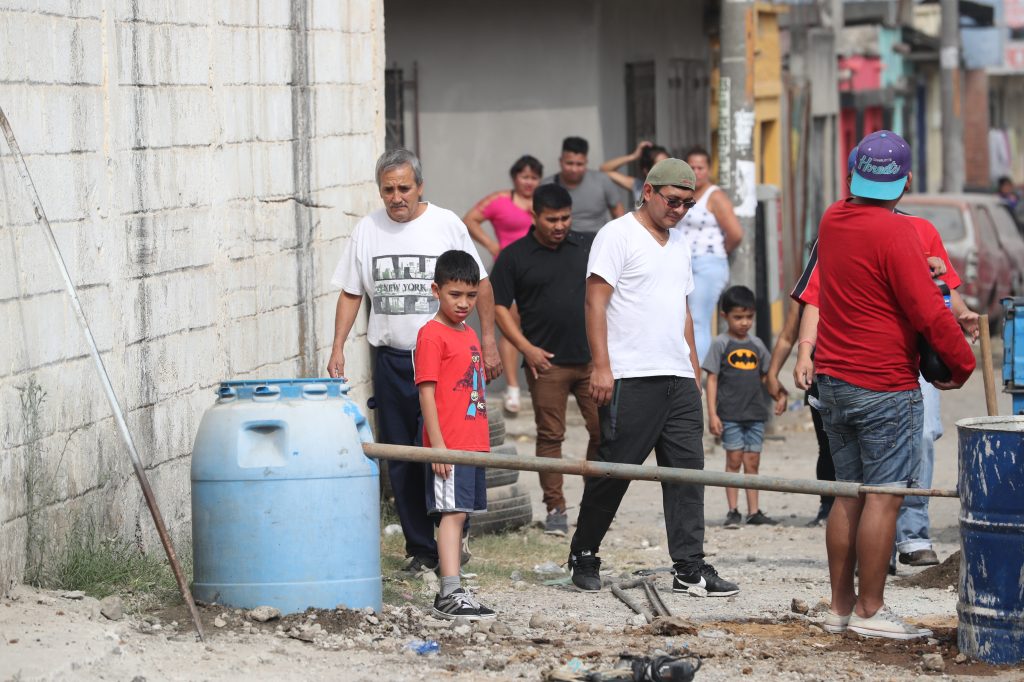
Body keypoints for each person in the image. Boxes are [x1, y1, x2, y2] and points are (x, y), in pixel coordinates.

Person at [797, 131, 975, 640]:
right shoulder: (900, 232)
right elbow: (929, 312)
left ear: (854, 173)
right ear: (906, 181)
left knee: (847, 495)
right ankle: (872, 612)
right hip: (884, 384)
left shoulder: (832, 219)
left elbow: (868, 275)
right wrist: (961, 365)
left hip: (834, 381)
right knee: (884, 496)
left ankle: (840, 608)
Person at [567, 158, 739, 598]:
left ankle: (689, 566)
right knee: (615, 471)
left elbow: (684, 311)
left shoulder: (680, 244)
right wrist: (601, 366)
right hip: (630, 376)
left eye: (687, 204)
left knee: (687, 475)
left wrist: (693, 370)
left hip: (678, 378)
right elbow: (594, 303)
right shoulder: (617, 235)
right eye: (672, 201)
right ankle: (584, 552)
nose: (679, 210)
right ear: (647, 191)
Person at [327, 149, 502, 576]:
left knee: (446, 447)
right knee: (402, 454)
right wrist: (337, 346)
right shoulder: (367, 230)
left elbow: (480, 284)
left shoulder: (446, 224)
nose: (396, 197)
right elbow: (351, 292)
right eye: (388, 189)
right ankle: (422, 549)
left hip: (448, 360)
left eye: (404, 188)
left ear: (420, 186)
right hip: (392, 360)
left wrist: (489, 341)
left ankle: (453, 529)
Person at [490, 184, 601, 536]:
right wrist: (526, 348)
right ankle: (556, 508)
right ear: (534, 216)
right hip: (546, 365)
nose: (560, 225)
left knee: (605, 432)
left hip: (593, 363)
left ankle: (595, 506)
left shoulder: (588, 247)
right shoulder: (514, 256)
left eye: (565, 218)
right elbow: (498, 308)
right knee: (551, 437)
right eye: (552, 219)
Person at [414, 250, 496, 621]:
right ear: (436, 290)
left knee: (462, 515)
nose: (464, 303)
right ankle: (448, 592)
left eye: (471, 295)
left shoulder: (469, 333)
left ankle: (456, 586)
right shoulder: (432, 335)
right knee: (452, 513)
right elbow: (426, 392)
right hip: (449, 445)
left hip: (472, 443)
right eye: (455, 295)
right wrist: (439, 448)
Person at [463, 155, 544, 414]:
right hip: (509, 272)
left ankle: (547, 384)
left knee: (543, 326)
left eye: (534, 177)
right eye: (524, 176)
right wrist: (491, 245)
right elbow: (470, 219)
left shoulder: (543, 202)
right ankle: (513, 387)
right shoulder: (500, 200)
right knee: (510, 328)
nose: (529, 182)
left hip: (540, 273)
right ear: (514, 177)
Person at [702, 285, 784, 528]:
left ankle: (754, 511)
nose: (745, 322)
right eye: (738, 317)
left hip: (755, 415)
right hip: (730, 415)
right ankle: (733, 510)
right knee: (734, 460)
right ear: (725, 316)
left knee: (752, 462)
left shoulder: (757, 345)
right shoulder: (720, 344)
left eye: (749, 317)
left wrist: (780, 395)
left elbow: (767, 375)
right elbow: (712, 379)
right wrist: (712, 414)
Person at [678, 146, 744, 365]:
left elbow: (736, 233)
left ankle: (698, 373)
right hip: (684, 264)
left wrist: (717, 252)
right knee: (682, 321)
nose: (696, 172)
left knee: (698, 321)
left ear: (709, 169)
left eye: (701, 167)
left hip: (708, 265)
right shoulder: (684, 194)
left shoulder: (715, 196)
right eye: (692, 167)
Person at [544, 136, 625, 233]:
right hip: (561, 238)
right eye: (569, 163)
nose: (574, 169)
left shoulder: (602, 181)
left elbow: (619, 214)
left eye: (579, 164)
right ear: (560, 161)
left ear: (586, 162)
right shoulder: (547, 186)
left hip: (598, 238)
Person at [600, 141, 670, 206]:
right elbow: (604, 170)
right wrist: (633, 156)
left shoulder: (674, 189)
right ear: (646, 171)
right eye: (660, 166)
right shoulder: (639, 187)